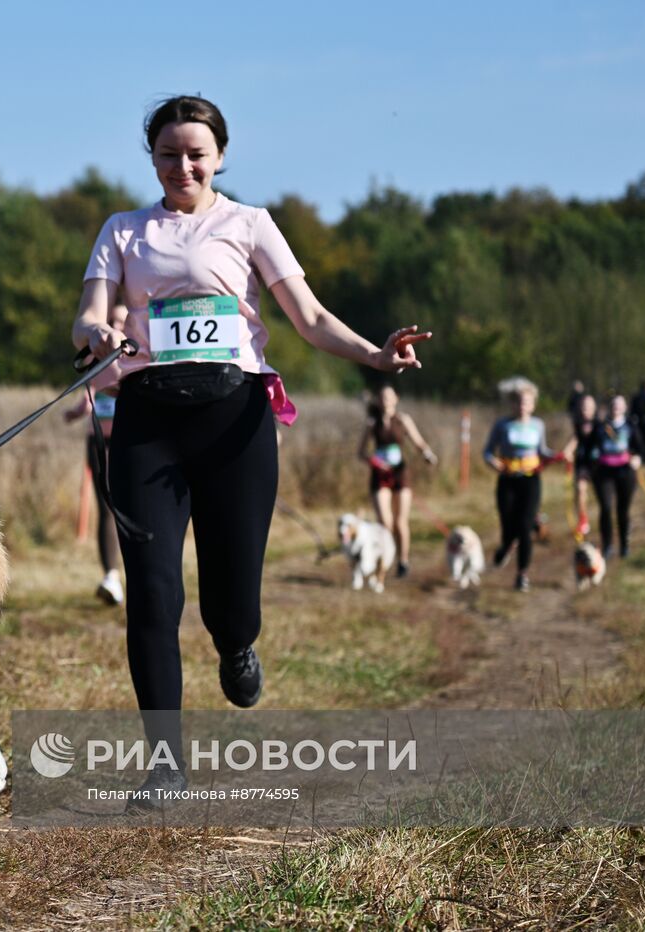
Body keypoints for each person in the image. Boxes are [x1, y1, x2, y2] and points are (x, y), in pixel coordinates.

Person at [71, 95, 429, 802]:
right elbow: (88, 311)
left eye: (196, 152)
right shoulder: (123, 230)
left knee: (230, 596)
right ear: (152, 158)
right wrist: (98, 333)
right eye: (169, 153)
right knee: (152, 591)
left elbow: (311, 316)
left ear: (221, 157)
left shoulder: (250, 224)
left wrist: (376, 357)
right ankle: (165, 764)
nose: (183, 165)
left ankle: (236, 644)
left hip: (236, 419)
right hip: (147, 421)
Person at [64, 304, 129, 606]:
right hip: (98, 441)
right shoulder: (96, 356)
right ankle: (111, 577)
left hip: (130, 442)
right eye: (111, 320)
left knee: (132, 508)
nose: (115, 326)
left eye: (121, 320)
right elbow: (87, 398)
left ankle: (140, 575)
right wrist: (74, 412)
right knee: (107, 508)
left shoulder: (138, 356)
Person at [482, 377, 559, 592]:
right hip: (507, 480)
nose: (523, 406)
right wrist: (495, 464)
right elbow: (487, 452)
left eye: (527, 402)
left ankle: (522, 574)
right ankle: (506, 547)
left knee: (525, 527)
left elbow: (542, 451)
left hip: (531, 480)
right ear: (512, 404)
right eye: (518, 402)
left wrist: (558, 456)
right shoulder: (502, 425)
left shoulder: (538, 425)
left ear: (533, 404)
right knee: (508, 526)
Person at [357, 385, 438, 578]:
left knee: (400, 521)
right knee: (385, 522)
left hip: (400, 473)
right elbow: (361, 452)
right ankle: (385, 558)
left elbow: (418, 442)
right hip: (380, 474)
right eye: (382, 397)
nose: (385, 400)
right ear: (378, 400)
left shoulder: (403, 420)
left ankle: (403, 561)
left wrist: (427, 454)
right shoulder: (372, 422)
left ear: (396, 399)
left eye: (389, 397)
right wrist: (375, 462)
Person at [592, 394, 644, 559]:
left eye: (619, 404)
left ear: (624, 408)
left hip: (625, 471)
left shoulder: (630, 425)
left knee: (623, 510)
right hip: (604, 472)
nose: (616, 407)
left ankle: (624, 545)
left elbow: (640, 447)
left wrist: (637, 458)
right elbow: (591, 447)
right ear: (609, 407)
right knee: (606, 508)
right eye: (613, 404)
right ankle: (607, 545)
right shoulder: (600, 427)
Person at [563, 393, 601, 538]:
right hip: (583, 464)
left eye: (589, 407)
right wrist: (567, 451)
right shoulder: (577, 423)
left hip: (599, 464)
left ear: (594, 408)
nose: (586, 409)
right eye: (584, 407)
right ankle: (583, 520)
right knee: (580, 489)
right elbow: (575, 440)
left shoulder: (600, 424)